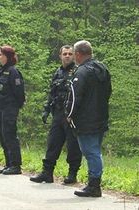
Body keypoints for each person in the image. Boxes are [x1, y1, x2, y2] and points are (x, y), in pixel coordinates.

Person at [30, 45, 82, 184]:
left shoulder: (78, 72)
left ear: (74, 55)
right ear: (60, 56)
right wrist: (46, 109)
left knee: (73, 146)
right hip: (58, 113)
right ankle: (47, 173)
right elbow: (52, 93)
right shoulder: (57, 72)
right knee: (53, 143)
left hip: (71, 115)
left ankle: (72, 174)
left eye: (70, 53)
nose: (67, 56)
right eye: (64, 53)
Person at [67, 40, 111, 197]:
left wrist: (69, 115)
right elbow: (108, 92)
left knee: (90, 151)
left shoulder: (82, 72)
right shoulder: (102, 69)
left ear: (78, 54)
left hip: (86, 119)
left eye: (73, 53)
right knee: (95, 150)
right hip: (101, 115)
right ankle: (94, 183)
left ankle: (94, 185)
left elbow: (74, 97)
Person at [0, 45, 25, 174]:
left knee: (10, 134)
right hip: (1, 108)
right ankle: (8, 163)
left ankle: (16, 165)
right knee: (2, 135)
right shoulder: (2, 70)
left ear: (7, 56)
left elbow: (19, 92)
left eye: (0, 54)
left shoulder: (13, 72)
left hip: (10, 108)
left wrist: (15, 106)